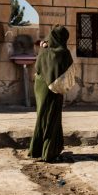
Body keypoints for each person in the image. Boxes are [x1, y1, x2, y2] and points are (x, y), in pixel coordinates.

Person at [28, 25, 75, 162]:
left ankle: (36, 150)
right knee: (52, 118)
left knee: (42, 116)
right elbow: (69, 69)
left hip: (40, 86)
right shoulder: (63, 52)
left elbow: (38, 67)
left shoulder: (44, 49)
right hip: (54, 89)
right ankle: (49, 152)